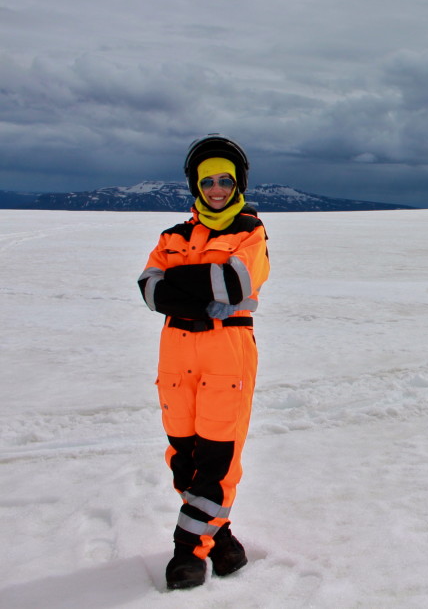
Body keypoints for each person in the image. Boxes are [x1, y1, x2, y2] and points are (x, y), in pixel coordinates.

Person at [137, 135, 271, 590]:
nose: (216, 188)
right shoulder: (171, 236)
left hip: (226, 352)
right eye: (207, 180)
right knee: (184, 456)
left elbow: (234, 282)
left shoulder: (250, 232)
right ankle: (220, 536)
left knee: (218, 456)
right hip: (175, 353)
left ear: (238, 185)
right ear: (196, 183)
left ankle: (187, 550)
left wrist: (182, 284)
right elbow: (151, 290)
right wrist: (201, 287)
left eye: (225, 181)